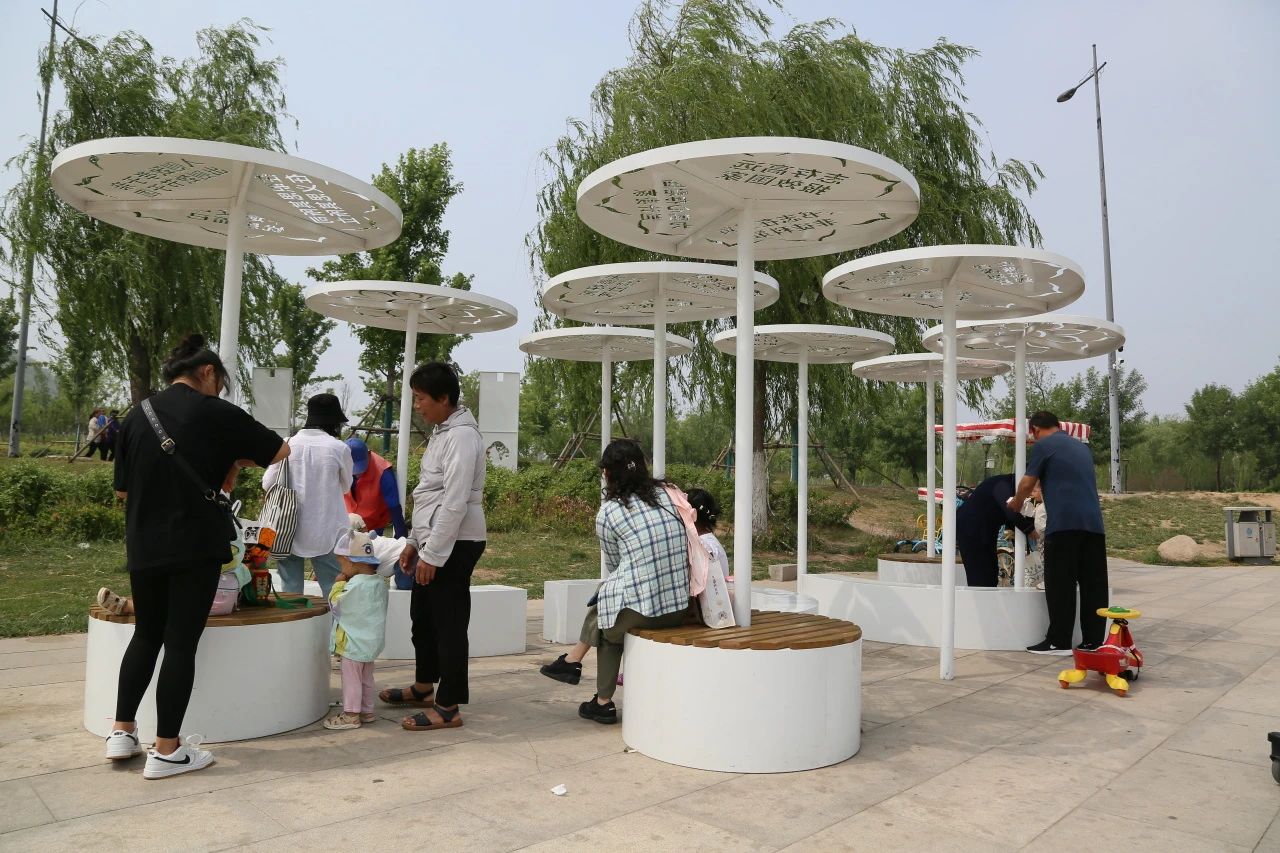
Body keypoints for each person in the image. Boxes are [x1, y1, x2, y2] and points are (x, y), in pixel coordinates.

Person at [105, 334, 287, 778]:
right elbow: (280, 450)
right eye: (219, 383)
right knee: (181, 642)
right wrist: (232, 463)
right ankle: (167, 751)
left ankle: (122, 731)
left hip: (144, 543)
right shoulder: (216, 412)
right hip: (195, 543)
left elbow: (123, 490)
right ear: (207, 372)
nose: (219, 391)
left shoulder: (137, 415)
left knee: (146, 633)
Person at [381, 363, 487, 732]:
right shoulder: (443, 433)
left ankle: (448, 706)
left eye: (421, 398)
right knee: (423, 618)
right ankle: (425, 687)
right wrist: (413, 541)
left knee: (449, 625)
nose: (417, 406)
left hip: (456, 542)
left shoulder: (462, 437)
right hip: (434, 540)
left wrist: (433, 554)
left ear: (443, 398)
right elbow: (428, 495)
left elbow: (454, 502)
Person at [540, 485, 719, 689]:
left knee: (607, 622)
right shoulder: (701, 541)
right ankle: (579, 670)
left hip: (686, 611)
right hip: (680, 606)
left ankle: (584, 676)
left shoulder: (702, 544)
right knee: (607, 605)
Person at [576, 440, 690, 724]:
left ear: (607, 473)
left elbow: (615, 566)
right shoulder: (668, 495)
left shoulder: (609, 512)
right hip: (681, 606)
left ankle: (602, 702)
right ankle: (571, 663)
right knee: (609, 605)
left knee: (608, 626)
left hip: (647, 613)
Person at [1008, 410, 1109, 655]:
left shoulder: (1044, 445)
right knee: (1093, 586)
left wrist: (1016, 503)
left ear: (1035, 430)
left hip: (1064, 524)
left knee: (1060, 585)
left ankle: (1058, 641)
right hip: (1094, 526)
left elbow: (1027, 483)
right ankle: (1093, 642)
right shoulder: (1082, 448)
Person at [263, 394, 353, 600]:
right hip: (327, 531)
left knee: (291, 592)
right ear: (334, 422)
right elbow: (346, 487)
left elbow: (267, 483)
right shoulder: (339, 448)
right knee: (334, 592)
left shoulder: (286, 444)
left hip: (287, 531)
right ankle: (335, 622)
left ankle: (292, 621)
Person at [323, 528, 389, 731]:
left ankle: (351, 715)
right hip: (370, 643)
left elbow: (336, 605)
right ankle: (367, 711)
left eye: (342, 563)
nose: (341, 569)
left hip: (353, 643)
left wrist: (337, 585)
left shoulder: (355, 585)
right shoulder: (379, 582)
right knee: (367, 679)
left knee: (351, 679)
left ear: (352, 562)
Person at [343, 438, 409, 587]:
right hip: (349, 522)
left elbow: (394, 507)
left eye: (360, 469)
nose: (357, 474)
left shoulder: (383, 471)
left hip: (373, 525)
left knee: (364, 566)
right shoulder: (340, 465)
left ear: (368, 454)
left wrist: (402, 537)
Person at [955, 473, 1039, 587]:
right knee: (979, 572)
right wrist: (1030, 530)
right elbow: (1010, 513)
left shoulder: (1008, 486)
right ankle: (982, 596)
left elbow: (1010, 516)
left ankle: (987, 594)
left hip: (985, 530)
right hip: (971, 529)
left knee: (990, 571)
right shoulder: (1003, 485)